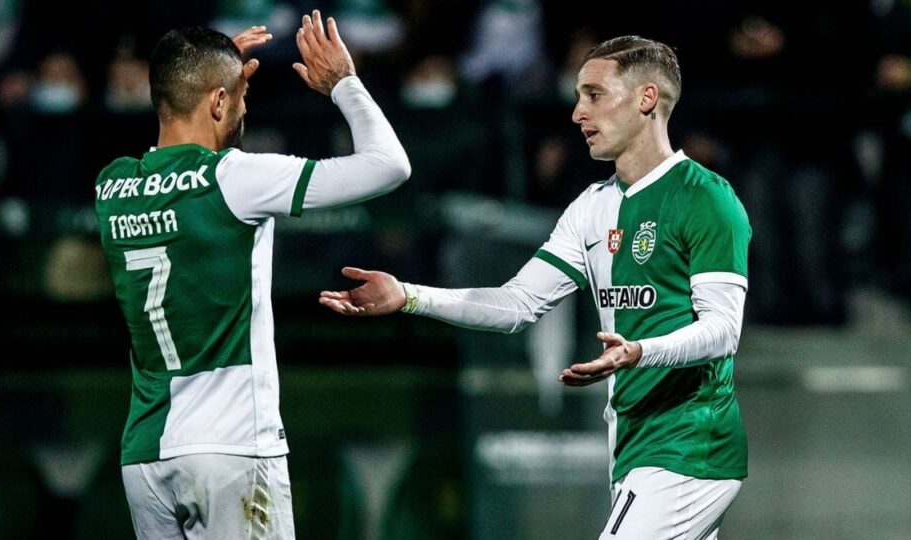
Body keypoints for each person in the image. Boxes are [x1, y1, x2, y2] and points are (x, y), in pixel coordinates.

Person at [320, 35, 750, 539]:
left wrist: (640, 351)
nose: (577, 113)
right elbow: (518, 303)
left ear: (646, 98)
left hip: (690, 446)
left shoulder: (705, 199)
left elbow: (723, 330)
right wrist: (409, 295)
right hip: (635, 447)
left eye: (594, 95)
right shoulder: (592, 207)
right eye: (578, 96)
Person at [95, 11, 411, 539]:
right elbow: (389, 165)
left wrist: (207, 71)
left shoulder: (112, 187)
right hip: (231, 449)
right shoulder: (237, 179)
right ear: (218, 102)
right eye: (240, 99)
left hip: (145, 455)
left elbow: (171, 139)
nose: (245, 110)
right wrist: (344, 83)